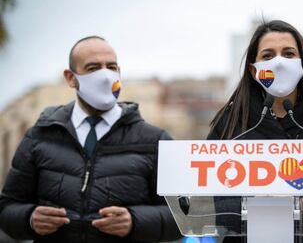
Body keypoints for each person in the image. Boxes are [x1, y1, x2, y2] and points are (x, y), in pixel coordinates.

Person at [0, 36, 181, 243]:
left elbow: (186, 215)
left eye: (111, 67)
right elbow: (7, 209)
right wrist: (30, 218)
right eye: (93, 68)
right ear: (71, 78)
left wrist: (135, 221)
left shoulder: (156, 141)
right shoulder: (40, 136)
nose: (105, 76)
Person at [208, 20, 303, 243]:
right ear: (253, 70)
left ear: (302, 63)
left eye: (288, 54)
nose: (279, 63)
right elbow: (214, 206)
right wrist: (257, 201)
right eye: (268, 56)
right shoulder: (230, 125)